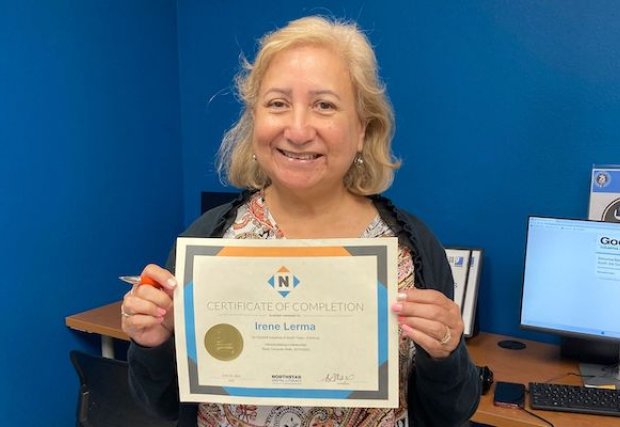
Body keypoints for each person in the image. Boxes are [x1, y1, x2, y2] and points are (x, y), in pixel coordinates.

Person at [121, 15, 481, 427]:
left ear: (362, 129)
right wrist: (153, 344)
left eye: (324, 105)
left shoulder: (411, 249)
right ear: (254, 119)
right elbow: (161, 405)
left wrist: (447, 353)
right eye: (277, 103)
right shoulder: (207, 242)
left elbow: (451, 412)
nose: (297, 129)